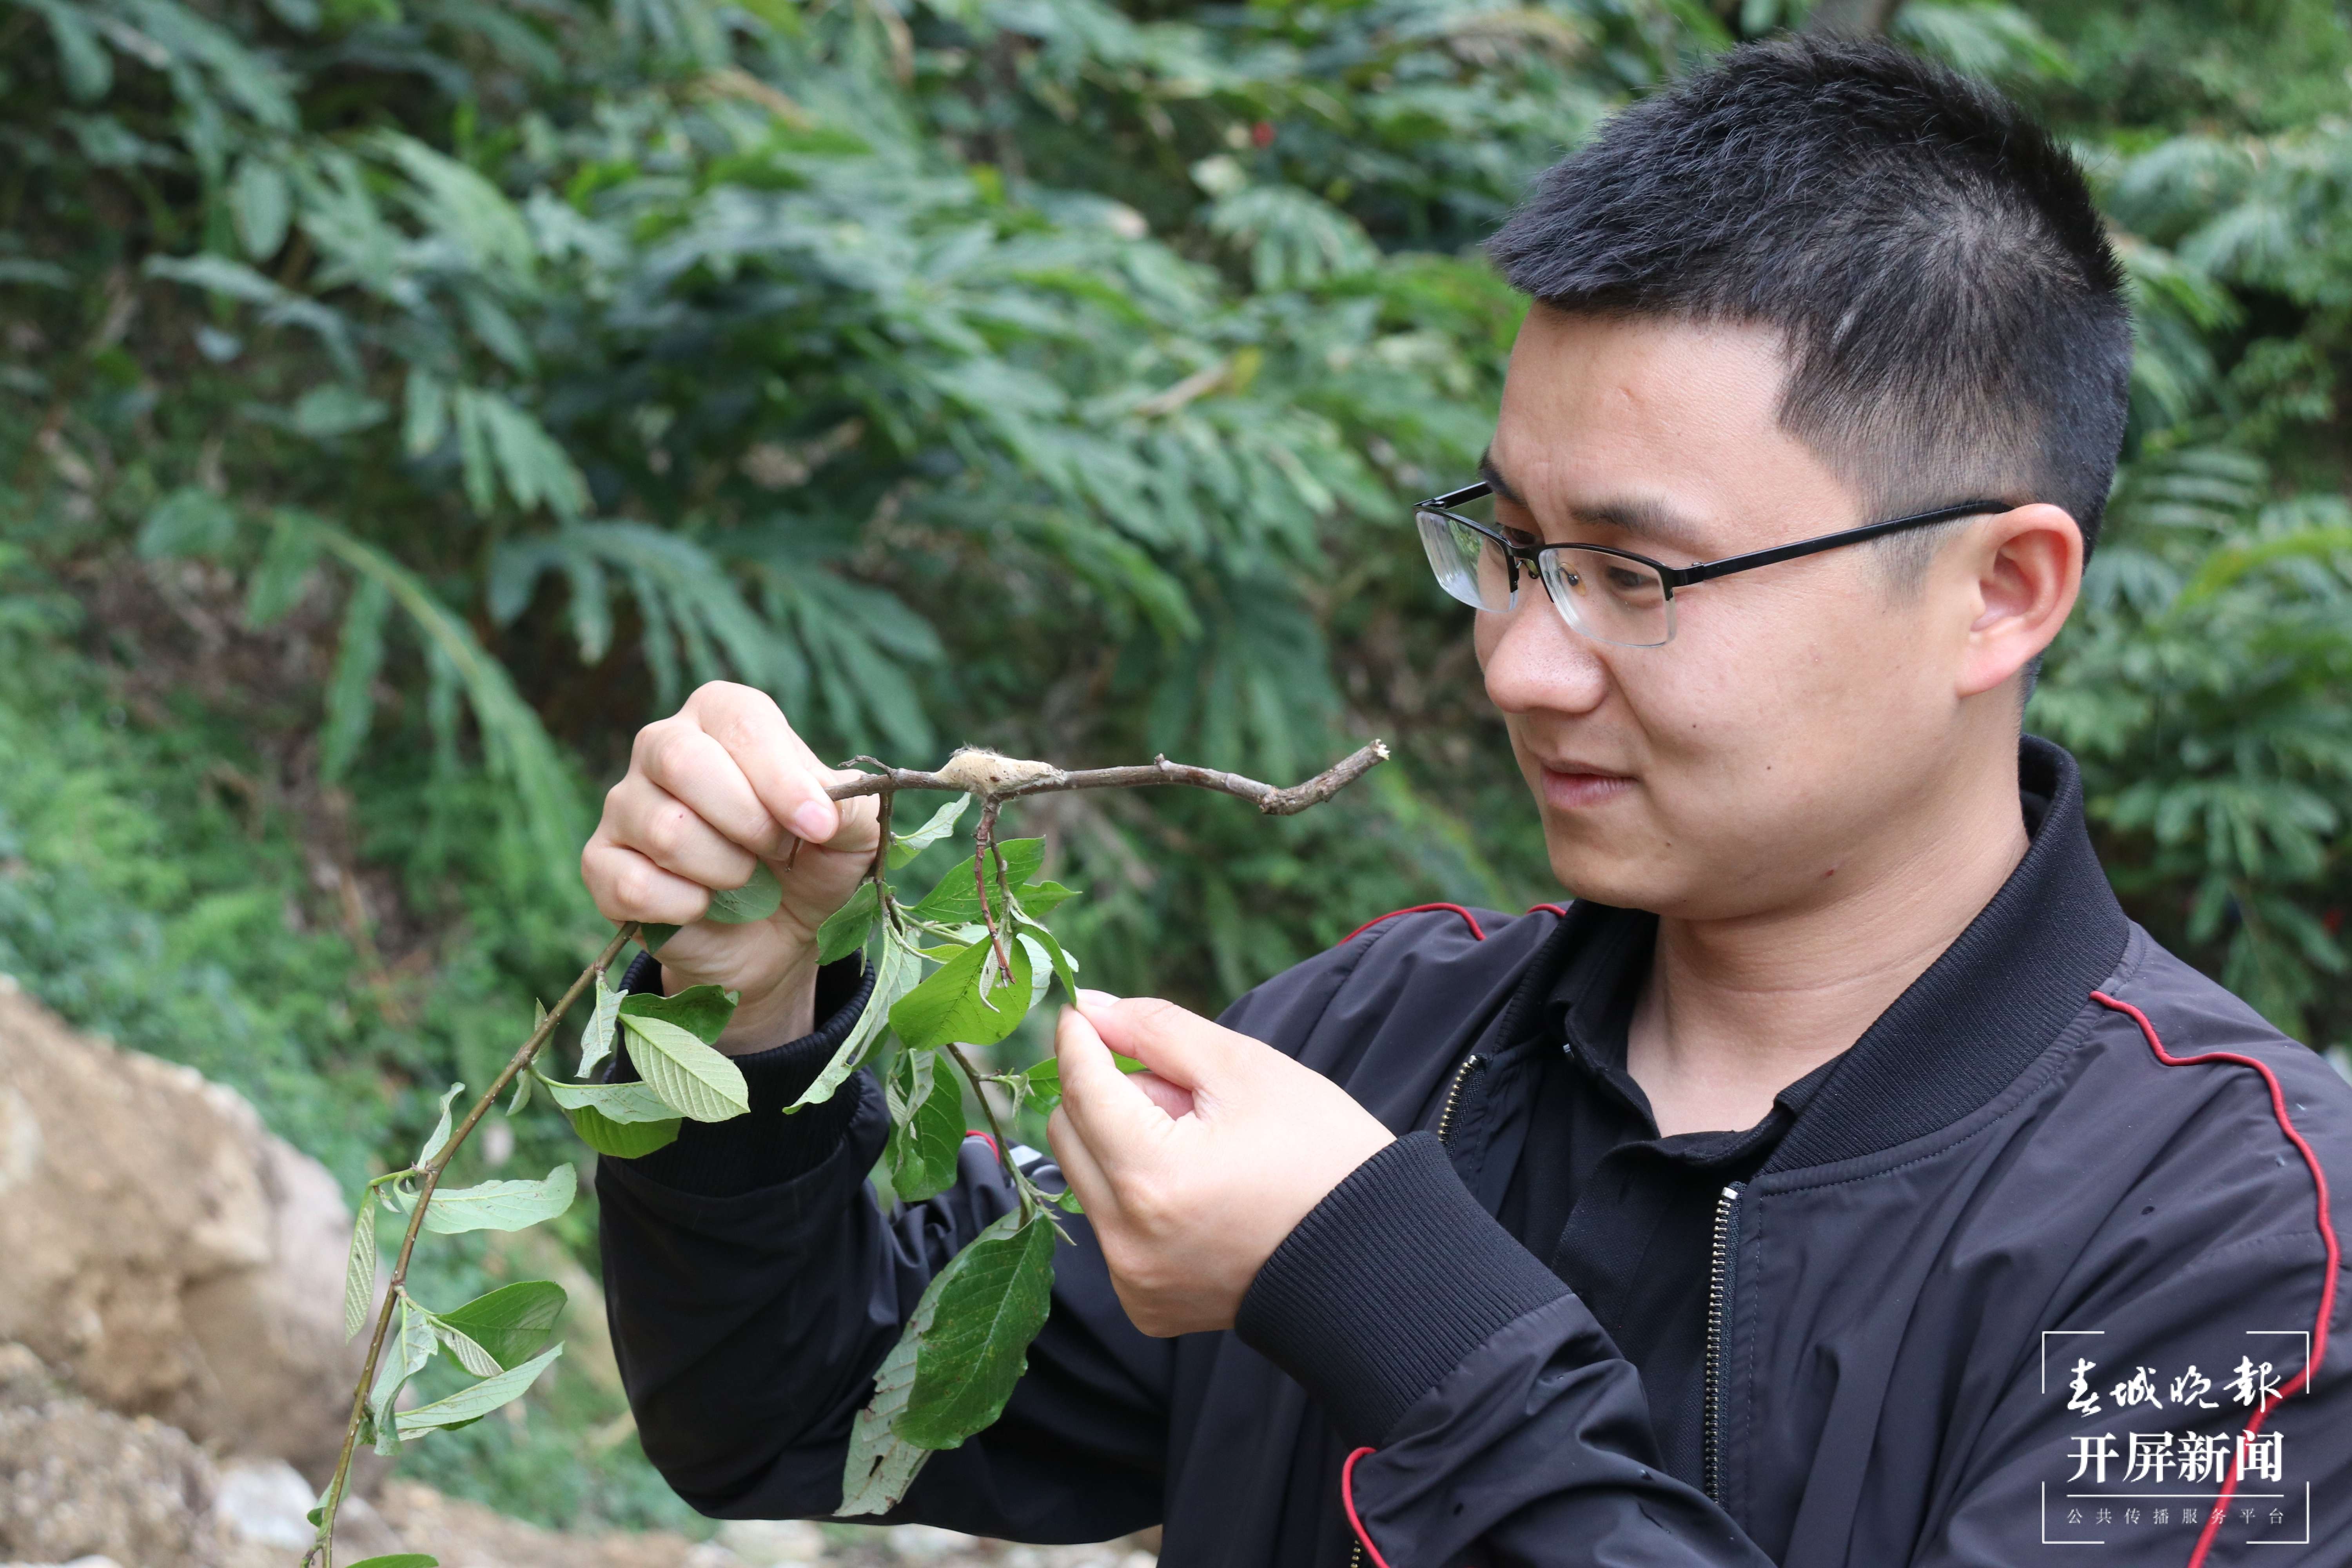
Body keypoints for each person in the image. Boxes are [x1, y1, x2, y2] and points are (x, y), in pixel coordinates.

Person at [580, 38, 2351, 1568]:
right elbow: (797, 1403)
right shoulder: (1384, 1040)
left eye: (1638, 574)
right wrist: (740, 1024)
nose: (1520, 664)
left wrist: (1387, 1293)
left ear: (2002, 590)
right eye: (1508, 545)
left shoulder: (2242, 1244)